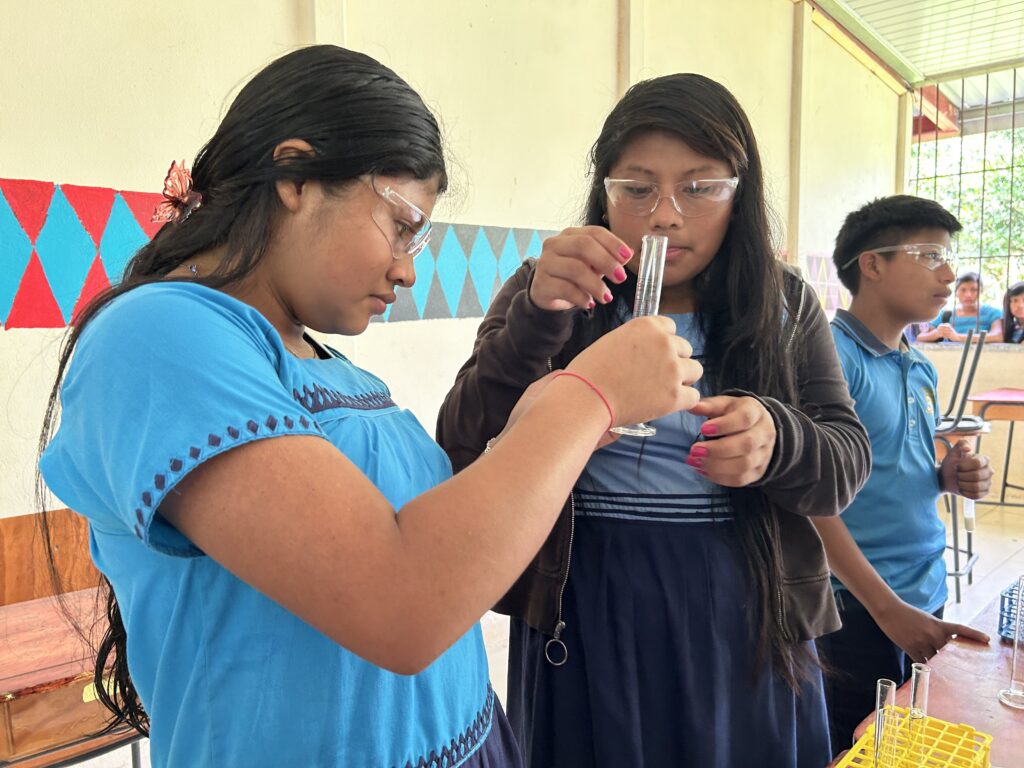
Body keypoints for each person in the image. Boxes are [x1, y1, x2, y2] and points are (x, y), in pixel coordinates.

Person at [36, 46, 704, 768]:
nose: (408, 267)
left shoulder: (319, 360)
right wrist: (589, 397)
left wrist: (538, 421)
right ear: (295, 176)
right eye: (402, 222)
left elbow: (441, 549)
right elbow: (403, 604)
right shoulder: (158, 335)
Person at [436, 74, 871, 768]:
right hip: (585, 594)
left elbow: (844, 465)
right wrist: (539, 321)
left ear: (740, 192)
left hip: (741, 598)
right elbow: (458, 438)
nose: (665, 215)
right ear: (604, 192)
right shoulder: (546, 290)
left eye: (700, 188)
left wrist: (777, 440)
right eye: (636, 189)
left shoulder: (782, 302)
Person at [817, 195, 994, 756]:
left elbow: (900, 468)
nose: (949, 274)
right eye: (929, 256)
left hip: (923, 589)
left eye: (950, 258)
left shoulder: (917, 363)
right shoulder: (829, 359)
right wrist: (885, 609)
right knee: (849, 745)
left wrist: (949, 475)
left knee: (900, 745)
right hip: (855, 605)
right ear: (872, 264)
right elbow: (806, 501)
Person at [916, 270, 1001, 342]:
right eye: (963, 290)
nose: (968, 295)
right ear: (956, 292)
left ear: (981, 291)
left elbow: (998, 336)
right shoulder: (945, 315)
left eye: (974, 290)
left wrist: (957, 337)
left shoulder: (993, 313)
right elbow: (920, 337)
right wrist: (937, 333)